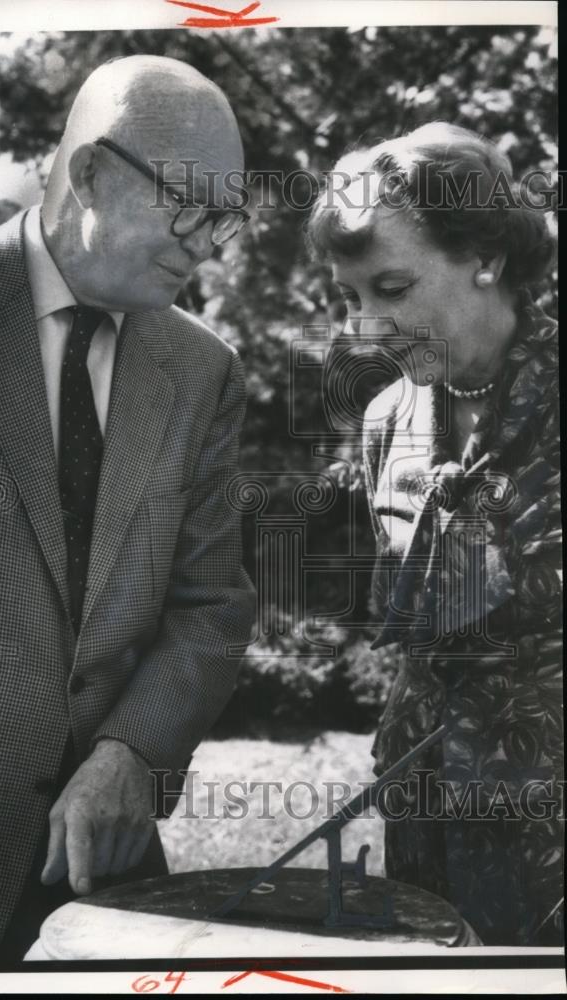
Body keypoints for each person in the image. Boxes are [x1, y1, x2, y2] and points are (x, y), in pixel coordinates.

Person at [0, 55, 255, 963]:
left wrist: (133, 750)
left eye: (227, 218)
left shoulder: (206, 371)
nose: (211, 245)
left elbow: (211, 609)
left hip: (107, 885)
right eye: (192, 206)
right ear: (91, 173)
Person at [307, 122, 562, 945]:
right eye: (350, 298)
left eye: (390, 288)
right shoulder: (387, 417)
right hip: (424, 821)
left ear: (484, 259)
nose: (364, 329)